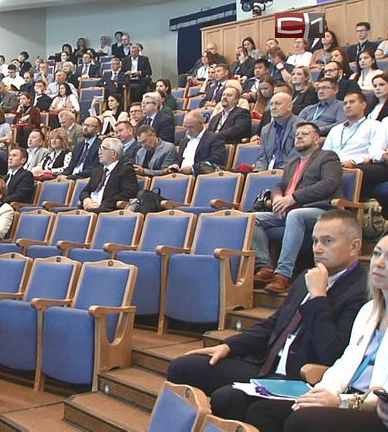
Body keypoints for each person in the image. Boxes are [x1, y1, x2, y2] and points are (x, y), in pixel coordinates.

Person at [166, 209, 368, 421]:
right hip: (266, 364)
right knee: (182, 367)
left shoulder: (361, 291)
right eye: (315, 241)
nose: (317, 248)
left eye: (327, 241)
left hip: (301, 377)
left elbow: (332, 352)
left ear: (354, 246)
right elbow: (274, 324)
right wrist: (229, 346)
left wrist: (318, 296)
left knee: (227, 399)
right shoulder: (306, 276)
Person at [244, 232, 388, 432]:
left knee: (302, 421)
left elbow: (382, 397)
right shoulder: (369, 310)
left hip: (374, 411)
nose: (379, 263)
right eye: (377, 254)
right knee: (263, 411)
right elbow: (344, 363)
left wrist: (340, 401)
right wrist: (320, 394)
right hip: (344, 397)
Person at [251, 122, 344, 293]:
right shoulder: (292, 163)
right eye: (297, 135)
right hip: (290, 211)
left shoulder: (328, 157)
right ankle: (265, 267)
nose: (299, 136)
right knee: (251, 219)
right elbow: (280, 185)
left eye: (305, 133)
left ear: (317, 139)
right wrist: (277, 197)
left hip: (322, 211)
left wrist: (293, 198)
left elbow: (329, 184)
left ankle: (283, 275)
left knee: (295, 215)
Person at [79, 137, 137, 212]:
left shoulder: (125, 171)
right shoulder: (97, 171)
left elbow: (128, 193)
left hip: (107, 209)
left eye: (102, 149)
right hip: (90, 207)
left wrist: (102, 204)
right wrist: (86, 200)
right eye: (99, 149)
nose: (99, 152)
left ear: (113, 154)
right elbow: (85, 191)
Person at [254, 93, 300, 171]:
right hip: (267, 172)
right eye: (271, 104)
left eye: (278, 104)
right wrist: (259, 173)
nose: (273, 107)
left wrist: (277, 173)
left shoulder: (299, 127)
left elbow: (296, 157)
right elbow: (262, 157)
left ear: (289, 107)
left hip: (288, 172)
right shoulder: (266, 129)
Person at [171, 110, 227, 175]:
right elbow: (178, 159)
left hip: (200, 175)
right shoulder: (184, 140)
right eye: (186, 127)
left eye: (191, 127)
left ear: (201, 124)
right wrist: (175, 165)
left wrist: (193, 169)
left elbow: (216, 159)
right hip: (180, 175)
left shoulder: (214, 138)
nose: (188, 130)